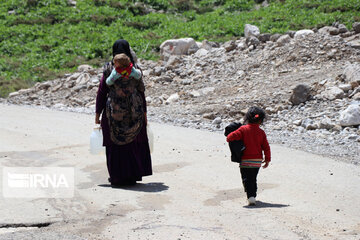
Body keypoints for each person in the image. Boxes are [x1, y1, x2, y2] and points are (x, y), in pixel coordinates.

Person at [95, 39, 152, 186]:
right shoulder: (136, 70)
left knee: (115, 143)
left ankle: (117, 177)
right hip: (135, 111)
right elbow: (141, 91)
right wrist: (144, 113)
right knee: (133, 142)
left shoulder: (109, 69)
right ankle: (132, 175)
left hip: (114, 113)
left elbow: (102, 91)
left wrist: (97, 114)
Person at [226, 106, 271, 206]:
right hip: (257, 161)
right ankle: (253, 195)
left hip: (245, 160)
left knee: (246, 178)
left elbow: (229, 138)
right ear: (261, 120)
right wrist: (267, 159)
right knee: (253, 178)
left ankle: (250, 195)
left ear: (247, 118)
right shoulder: (261, 132)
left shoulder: (243, 129)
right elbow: (266, 147)